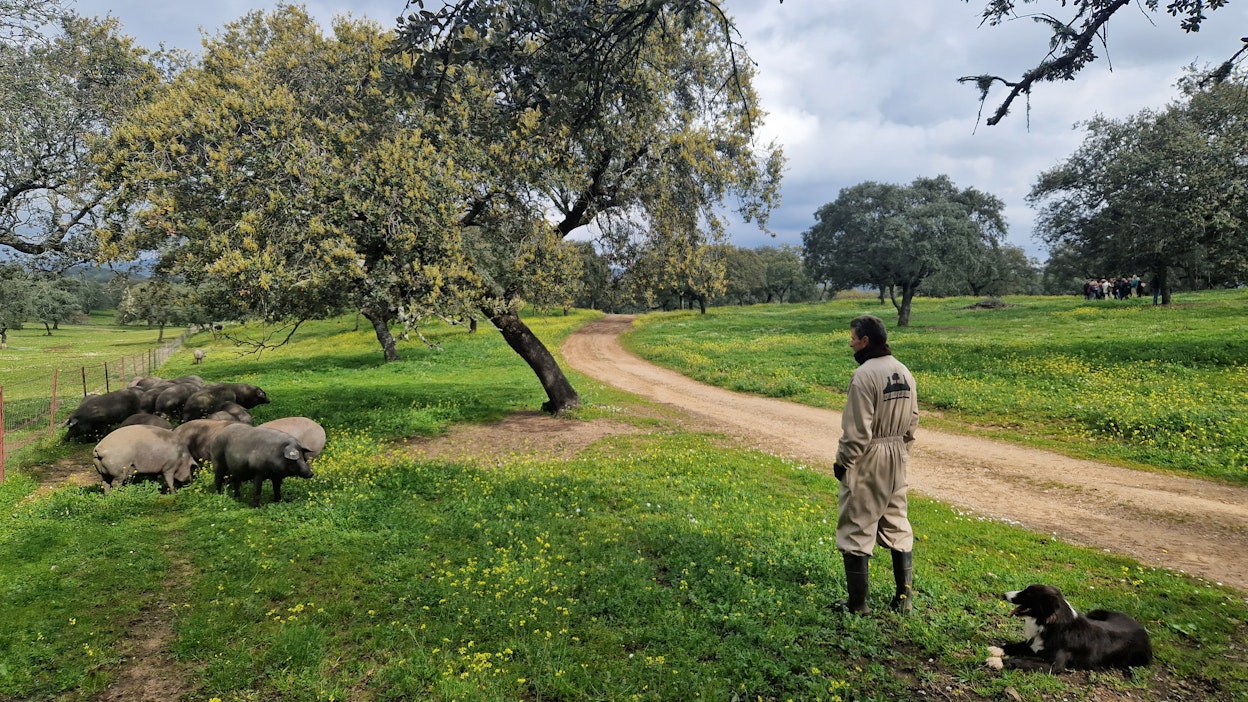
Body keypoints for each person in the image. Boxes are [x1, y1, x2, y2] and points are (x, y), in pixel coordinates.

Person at [833, 315, 920, 614]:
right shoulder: (904, 371)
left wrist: (844, 463)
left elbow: (857, 432)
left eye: (853, 338)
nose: (850, 342)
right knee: (897, 522)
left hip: (869, 456)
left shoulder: (864, 375)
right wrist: (901, 448)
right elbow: (913, 420)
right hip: (897, 454)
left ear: (866, 341)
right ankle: (904, 600)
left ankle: (858, 605)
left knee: (857, 525)